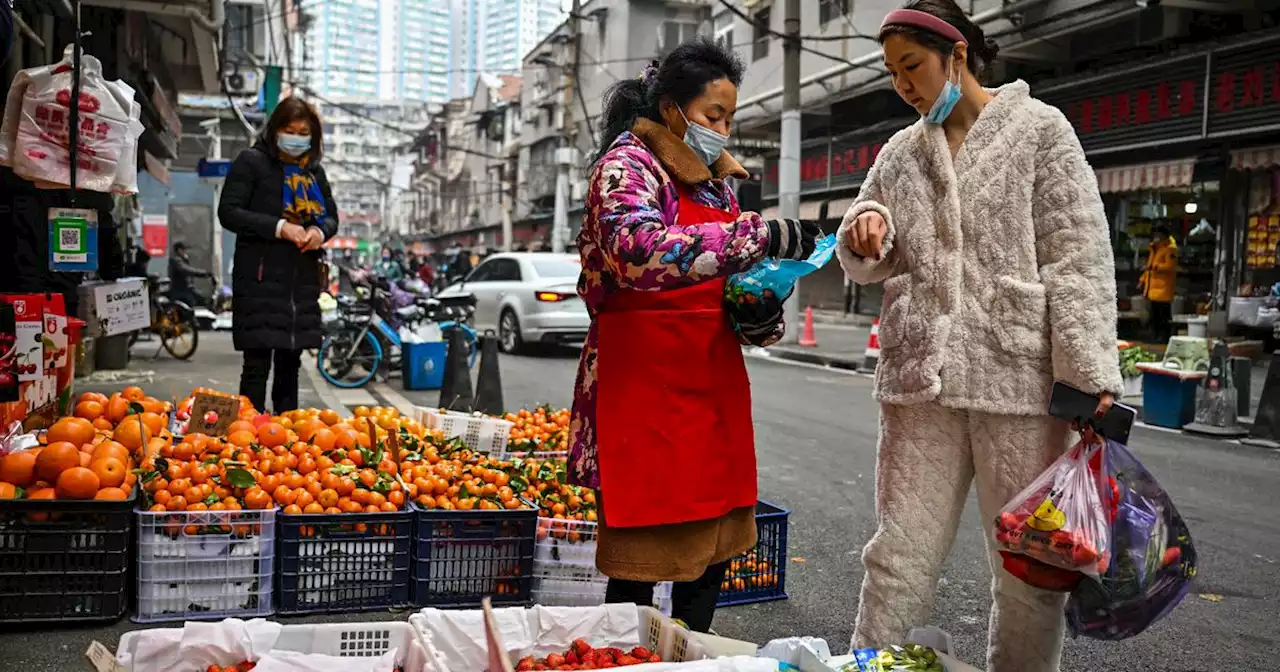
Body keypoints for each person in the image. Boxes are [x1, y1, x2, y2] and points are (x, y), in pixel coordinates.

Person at [837, 2, 1122, 670]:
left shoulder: (1039, 130)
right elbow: (865, 236)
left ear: (957, 54)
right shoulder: (900, 153)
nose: (904, 85)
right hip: (919, 383)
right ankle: (866, 665)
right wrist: (867, 230)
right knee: (898, 553)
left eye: (912, 67)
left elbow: (1077, 256)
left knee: (1026, 569)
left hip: (1018, 380)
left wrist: (1088, 378)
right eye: (893, 74)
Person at [569, 39, 820, 633]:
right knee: (641, 558)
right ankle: (624, 658)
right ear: (672, 108)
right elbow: (635, 251)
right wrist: (755, 238)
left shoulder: (716, 185)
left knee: (710, 555)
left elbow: (731, 279)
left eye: (731, 118)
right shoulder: (624, 167)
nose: (724, 130)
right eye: (713, 116)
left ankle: (694, 652)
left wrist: (757, 308)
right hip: (642, 385)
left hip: (709, 385)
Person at [218, 96, 338, 413]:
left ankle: (286, 443)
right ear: (275, 130)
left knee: (290, 365)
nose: (296, 138)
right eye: (290, 129)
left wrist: (318, 232)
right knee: (257, 364)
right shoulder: (251, 162)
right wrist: (280, 227)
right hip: (259, 280)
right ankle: (248, 440)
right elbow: (229, 212)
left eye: (303, 132)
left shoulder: (314, 172)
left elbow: (330, 217)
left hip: (300, 283)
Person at [1140, 224, 1177, 345]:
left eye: (1158, 235)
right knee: (1154, 316)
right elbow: (1148, 268)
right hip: (1153, 289)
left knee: (1163, 317)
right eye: (1155, 235)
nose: (1156, 237)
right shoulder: (1154, 249)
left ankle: (1164, 338)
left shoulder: (1171, 249)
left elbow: (1170, 266)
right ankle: (1156, 337)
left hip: (1163, 289)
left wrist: (1155, 267)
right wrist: (1142, 280)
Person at [167, 241, 210, 308]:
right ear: (179, 250)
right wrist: (204, 273)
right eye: (184, 250)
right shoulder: (175, 260)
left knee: (202, 300)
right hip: (180, 291)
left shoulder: (181, 260)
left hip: (187, 289)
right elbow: (186, 270)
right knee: (196, 303)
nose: (185, 252)